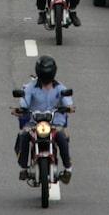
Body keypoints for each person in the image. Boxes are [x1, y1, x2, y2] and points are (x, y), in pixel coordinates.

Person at [15, 55, 74, 183]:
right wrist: (21, 109)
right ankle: (23, 168)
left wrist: (69, 108)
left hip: (55, 123)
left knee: (62, 137)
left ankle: (68, 169)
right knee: (24, 135)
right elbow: (24, 103)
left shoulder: (60, 88)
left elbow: (68, 102)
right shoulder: (30, 87)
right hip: (34, 123)